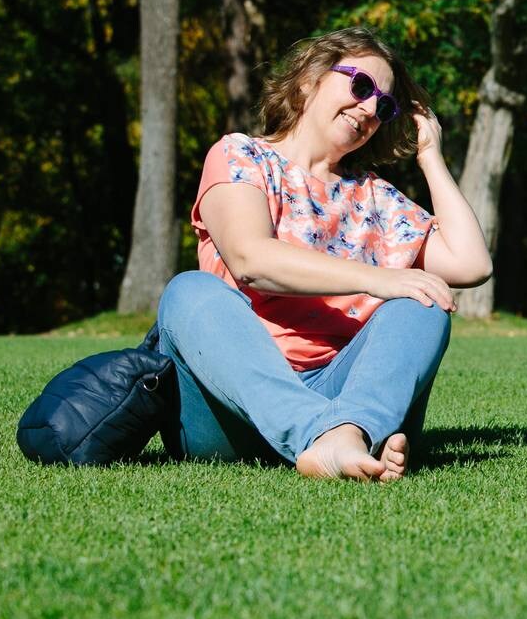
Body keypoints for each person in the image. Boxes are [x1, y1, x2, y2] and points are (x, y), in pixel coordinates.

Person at [157, 27, 491, 482]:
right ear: (309, 79)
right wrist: (376, 278)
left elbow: (472, 264)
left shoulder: (373, 196)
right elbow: (251, 260)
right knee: (189, 292)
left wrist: (431, 155)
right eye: (361, 86)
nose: (371, 108)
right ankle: (325, 436)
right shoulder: (242, 156)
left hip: (343, 394)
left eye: (385, 106)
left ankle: (347, 433)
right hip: (234, 405)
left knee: (424, 302)